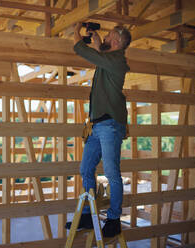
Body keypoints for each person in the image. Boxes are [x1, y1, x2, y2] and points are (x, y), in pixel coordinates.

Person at [65, 23, 131, 238]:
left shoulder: (117, 61)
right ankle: (87, 213)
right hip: (96, 126)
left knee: (112, 173)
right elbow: (101, 50)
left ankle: (113, 219)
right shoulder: (109, 59)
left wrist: (76, 34)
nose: (106, 37)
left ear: (118, 41)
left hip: (110, 126)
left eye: (110, 35)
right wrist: (96, 37)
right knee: (86, 169)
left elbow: (87, 52)